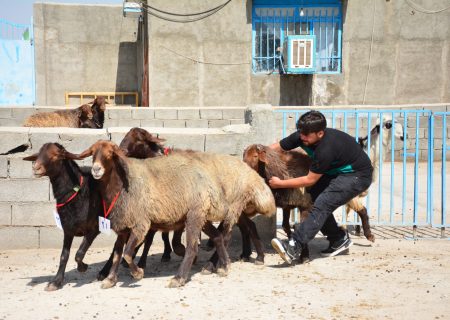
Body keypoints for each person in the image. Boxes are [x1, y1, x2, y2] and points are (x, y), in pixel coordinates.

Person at [269, 110, 373, 264]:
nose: (302, 137)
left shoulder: (326, 149)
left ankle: (294, 246)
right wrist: (260, 154)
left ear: (320, 133)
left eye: (306, 134)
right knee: (313, 198)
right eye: (300, 132)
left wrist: (280, 183)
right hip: (336, 172)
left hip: (357, 175)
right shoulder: (302, 135)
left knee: (322, 203)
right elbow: (275, 147)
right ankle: (338, 239)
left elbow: (309, 180)